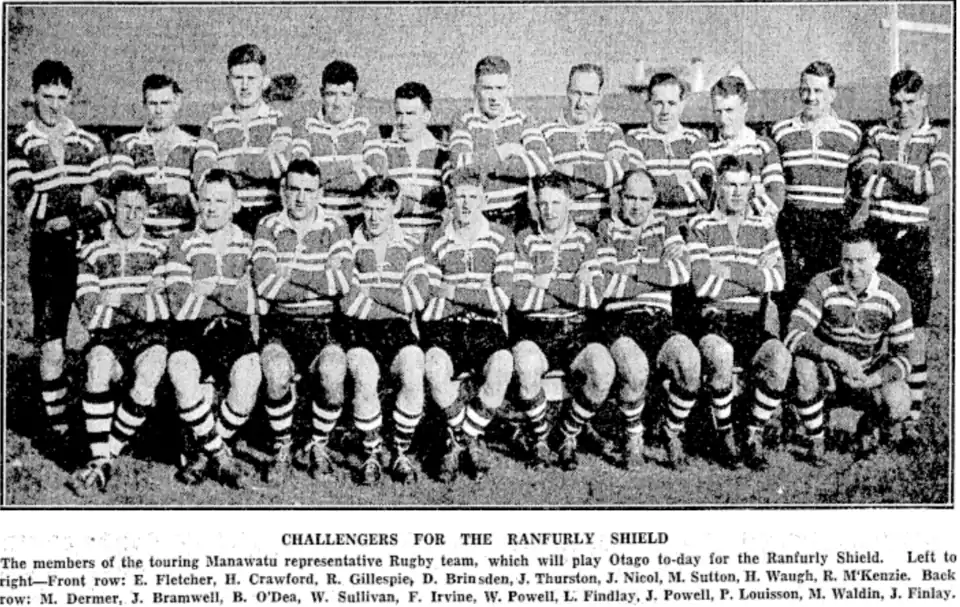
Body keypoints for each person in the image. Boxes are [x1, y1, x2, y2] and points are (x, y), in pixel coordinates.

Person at [7, 59, 111, 446]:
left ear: (71, 96)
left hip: (88, 249)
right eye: (47, 96)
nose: (54, 104)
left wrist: (66, 211)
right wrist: (77, 196)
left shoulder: (88, 141)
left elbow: (107, 200)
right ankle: (60, 429)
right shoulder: (20, 141)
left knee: (103, 335)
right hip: (48, 254)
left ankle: (104, 420)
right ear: (34, 94)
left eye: (61, 97)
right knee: (51, 342)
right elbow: (27, 202)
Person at [850, 69, 951, 448]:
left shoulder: (937, 137)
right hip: (879, 240)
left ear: (924, 100)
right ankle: (875, 415)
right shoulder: (877, 133)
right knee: (877, 330)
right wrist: (909, 177)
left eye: (910, 102)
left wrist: (888, 171)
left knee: (917, 336)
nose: (903, 110)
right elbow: (863, 181)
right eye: (896, 102)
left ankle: (911, 421)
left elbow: (933, 185)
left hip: (914, 244)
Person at [251, 159, 354, 484]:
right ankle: (283, 446)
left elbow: (342, 283)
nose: (300, 198)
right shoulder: (267, 225)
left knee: (333, 372)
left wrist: (291, 273)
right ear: (282, 191)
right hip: (280, 324)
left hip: (325, 324)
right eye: (293, 189)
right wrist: (320, 275)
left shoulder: (335, 226)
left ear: (320, 193)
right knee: (276, 372)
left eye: (308, 191)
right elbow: (264, 284)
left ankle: (317, 444)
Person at [686, 156, 791, 470]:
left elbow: (779, 280)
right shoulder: (700, 225)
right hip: (714, 321)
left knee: (780, 359)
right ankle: (725, 433)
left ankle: (753, 433)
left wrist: (728, 269)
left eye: (744, 185)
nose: (737, 192)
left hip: (753, 321)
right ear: (718, 185)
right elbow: (703, 286)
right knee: (721, 353)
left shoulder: (763, 227)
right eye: (730, 184)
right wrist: (753, 278)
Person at [68, 174, 169, 495]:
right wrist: (141, 300)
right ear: (113, 206)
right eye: (125, 206)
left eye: (139, 208)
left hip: (148, 336)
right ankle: (102, 460)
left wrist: (118, 300)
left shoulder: (159, 250)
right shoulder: (91, 252)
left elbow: (164, 309)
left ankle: (104, 458)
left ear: (148, 210)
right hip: (108, 338)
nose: (131, 215)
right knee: (98, 365)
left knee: (151, 369)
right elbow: (90, 314)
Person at [595, 168, 700, 469]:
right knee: (636, 369)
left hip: (659, 320)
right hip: (620, 321)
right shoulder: (606, 229)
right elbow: (606, 286)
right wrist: (657, 276)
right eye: (630, 197)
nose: (636, 205)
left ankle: (671, 431)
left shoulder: (666, 227)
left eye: (643, 199)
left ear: (654, 200)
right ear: (619, 197)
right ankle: (634, 436)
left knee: (689, 361)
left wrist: (633, 270)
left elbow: (681, 273)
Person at [165, 169, 262, 488]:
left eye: (221, 201)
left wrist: (211, 290)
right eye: (205, 199)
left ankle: (205, 453)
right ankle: (220, 455)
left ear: (235, 205)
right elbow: (181, 305)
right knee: (181, 372)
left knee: (249, 380)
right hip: (191, 332)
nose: (211, 207)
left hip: (235, 332)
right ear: (196, 201)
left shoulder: (248, 243)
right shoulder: (180, 242)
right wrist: (230, 293)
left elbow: (254, 303)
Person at [511, 172, 614, 470]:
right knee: (526, 364)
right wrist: (572, 284)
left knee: (603, 368)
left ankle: (568, 433)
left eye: (556, 203)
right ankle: (541, 438)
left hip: (577, 328)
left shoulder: (585, 238)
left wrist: (546, 283)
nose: (550, 210)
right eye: (543, 204)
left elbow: (594, 298)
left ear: (569, 203)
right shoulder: (524, 238)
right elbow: (521, 301)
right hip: (536, 329)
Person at [785, 229, 914, 464]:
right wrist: (834, 356)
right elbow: (794, 332)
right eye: (847, 260)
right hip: (828, 371)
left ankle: (868, 427)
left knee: (899, 401)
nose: (853, 270)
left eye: (861, 261)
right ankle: (817, 440)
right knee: (803, 365)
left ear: (876, 259)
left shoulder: (896, 294)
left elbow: (905, 358)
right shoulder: (822, 283)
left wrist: (872, 379)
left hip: (865, 373)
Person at [421, 167, 515, 481]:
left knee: (502, 365)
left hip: (485, 326)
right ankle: (471, 439)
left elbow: (502, 300)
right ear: (450, 199)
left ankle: (459, 439)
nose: (466, 204)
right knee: (433, 367)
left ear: (484, 200)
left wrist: (455, 291)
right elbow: (430, 299)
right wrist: (478, 294)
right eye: (460, 197)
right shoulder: (434, 238)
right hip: (444, 325)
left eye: (473, 197)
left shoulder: (501, 236)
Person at [338, 176, 430, 484]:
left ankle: (401, 451)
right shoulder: (348, 244)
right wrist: (394, 300)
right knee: (364, 373)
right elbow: (349, 303)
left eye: (381, 208)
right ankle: (372, 452)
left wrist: (371, 292)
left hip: (397, 330)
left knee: (414, 368)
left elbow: (417, 297)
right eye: (368, 208)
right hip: (358, 329)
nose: (374, 216)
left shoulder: (410, 245)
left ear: (395, 207)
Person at [770, 61, 861, 313]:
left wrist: (843, 214)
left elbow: (859, 185)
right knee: (791, 291)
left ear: (832, 94)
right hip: (793, 223)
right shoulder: (781, 131)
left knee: (829, 289)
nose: (810, 97)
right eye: (805, 90)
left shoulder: (850, 134)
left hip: (831, 224)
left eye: (818, 91)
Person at [193, 43, 292, 236]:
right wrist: (257, 167)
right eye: (238, 78)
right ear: (228, 81)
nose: (245, 86)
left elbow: (277, 166)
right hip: (226, 219)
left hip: (270, 214)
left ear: (264, 81)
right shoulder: (213, 123)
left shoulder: (279, 120)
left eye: (252, 78)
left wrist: (231, 164)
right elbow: (203, 176)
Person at [524, 63, 633, 233]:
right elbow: (545, 182)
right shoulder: (547, 131)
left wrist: (571, 171)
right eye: (576, 93)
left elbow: (618, 171)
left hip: (601, 226)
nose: (581, 103)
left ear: (599, 96)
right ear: (567, 91)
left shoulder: (612, 130)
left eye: (589, 95)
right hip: (560, 229)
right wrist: (600, 181)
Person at [447, 55, 538, 231]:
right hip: (479, 218)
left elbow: (542, 163)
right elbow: (460, 166)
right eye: (487, 88)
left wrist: (484, 165)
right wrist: (504, 151)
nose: (494, 97)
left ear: (510, 90)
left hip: (518, 217)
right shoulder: (463, 121)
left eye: (500, 88)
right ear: (475, 90)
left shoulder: (523, 120)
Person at [289, 60, 375, 231]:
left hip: (358, 221)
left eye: (344, 94)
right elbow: (300, 173)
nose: (337, 103)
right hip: (317, 223)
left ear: (355, 96)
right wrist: (351, 166)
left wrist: (319, 177)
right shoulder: (305, 126)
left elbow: (376, 172)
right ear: (321, 93)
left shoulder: (366, 127)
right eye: (331, 94)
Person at [110, 74, 198, 240]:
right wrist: (172, 189)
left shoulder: (194, 146)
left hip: (183, 238)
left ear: (177, 103)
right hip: (139, 240)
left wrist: (148, 190)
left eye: (165, 103)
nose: (159, 110)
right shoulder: (126, 144)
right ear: (144, 105)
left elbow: (201, 197)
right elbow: (122, 191)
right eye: (153, 103)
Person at [363, 81, 449, 243]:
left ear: (427, 116)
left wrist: (405, 191)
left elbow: (447, 198)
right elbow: (382, 200)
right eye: (399, 114)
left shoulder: (444, 152)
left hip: (436, 240)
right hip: (394, 241)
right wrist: (427, 199)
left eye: (410, 114)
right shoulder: (382, 150)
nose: (402, 121)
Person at [625, 72, 715, 224]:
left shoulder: (695, 138)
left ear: (681, 105)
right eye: (658, 103)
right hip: (650, 228)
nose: (665, 111)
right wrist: (680, 181)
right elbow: (636, 189)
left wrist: (654, 187)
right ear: (648, 105)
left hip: (688, 228)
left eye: (671, 103)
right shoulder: (635, 139)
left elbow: (705, 185)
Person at [707, 75, 785, 221]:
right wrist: (756, 190)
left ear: (744, 108)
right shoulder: (708, 150)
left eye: (729, 110)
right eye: (718, 112)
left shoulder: (763, 147)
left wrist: (740, 216)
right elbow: (708, 199)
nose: (723, 119)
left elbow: (776, 195)